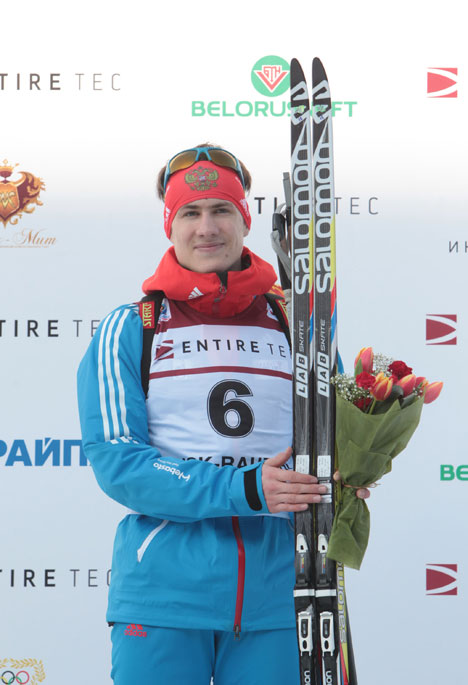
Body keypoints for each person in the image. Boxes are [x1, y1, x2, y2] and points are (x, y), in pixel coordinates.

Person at [77, 144, 369, 685]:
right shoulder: (131, 327)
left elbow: (337, 433)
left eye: (221, 211)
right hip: (165, 598)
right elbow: (119, 462)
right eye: (190, 212)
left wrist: (347, 474)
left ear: (245, 219)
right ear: (171, 225)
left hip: (284, 595)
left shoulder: (296, 323)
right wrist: (247, 489)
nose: (206, 227)